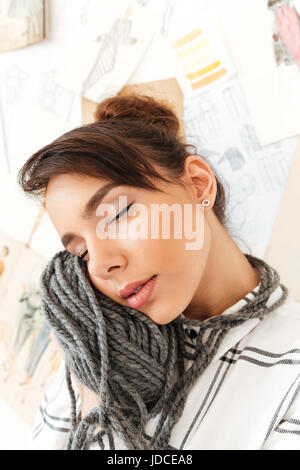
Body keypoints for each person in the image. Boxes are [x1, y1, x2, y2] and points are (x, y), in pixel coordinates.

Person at [18, 94, 300, 450]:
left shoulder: (291, 368)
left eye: (117, 215)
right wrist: (95, 381)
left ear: (197, 184)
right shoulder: (98, 358)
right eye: (83, 251)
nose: (102, 264)